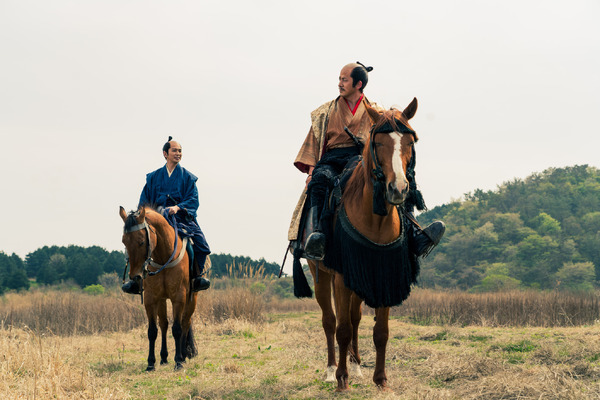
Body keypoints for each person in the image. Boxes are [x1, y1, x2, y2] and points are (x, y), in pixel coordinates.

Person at [289, 62, 445, 260]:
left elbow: (389, 142)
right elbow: (314, 143)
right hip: (332, 159)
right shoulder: (325, 111)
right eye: (339, 79)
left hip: (362, 158)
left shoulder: (378, 112)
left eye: (344, 80)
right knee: (320, 180)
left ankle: (414, 232)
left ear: (358, 84)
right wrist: (311, 172)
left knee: (400, 179)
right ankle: (318, 235)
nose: (340, 83)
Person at [121, 137, 211, 294]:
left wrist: (178, 207)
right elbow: (144, 202)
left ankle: (196, 277)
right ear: (165, 153)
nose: (178, 153)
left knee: (202, 245)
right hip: (155, 220)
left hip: (182, 219)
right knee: (135, 242)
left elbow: (193, 200)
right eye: (174, 150)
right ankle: (135, 280)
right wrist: (149, 213)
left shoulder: (188, 178)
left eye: (180, 151)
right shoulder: (153, 177)